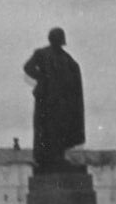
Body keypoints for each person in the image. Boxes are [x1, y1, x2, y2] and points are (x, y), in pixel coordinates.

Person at [22, 27, 85, 173]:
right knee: (46, 129)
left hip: (62, 102)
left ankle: (59, 157)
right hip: (46, 101)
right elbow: (28, 67)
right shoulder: (41, 53)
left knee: (61, 130)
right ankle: (47, 158)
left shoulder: (67, 59)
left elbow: (73, 77)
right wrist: (42, 78)